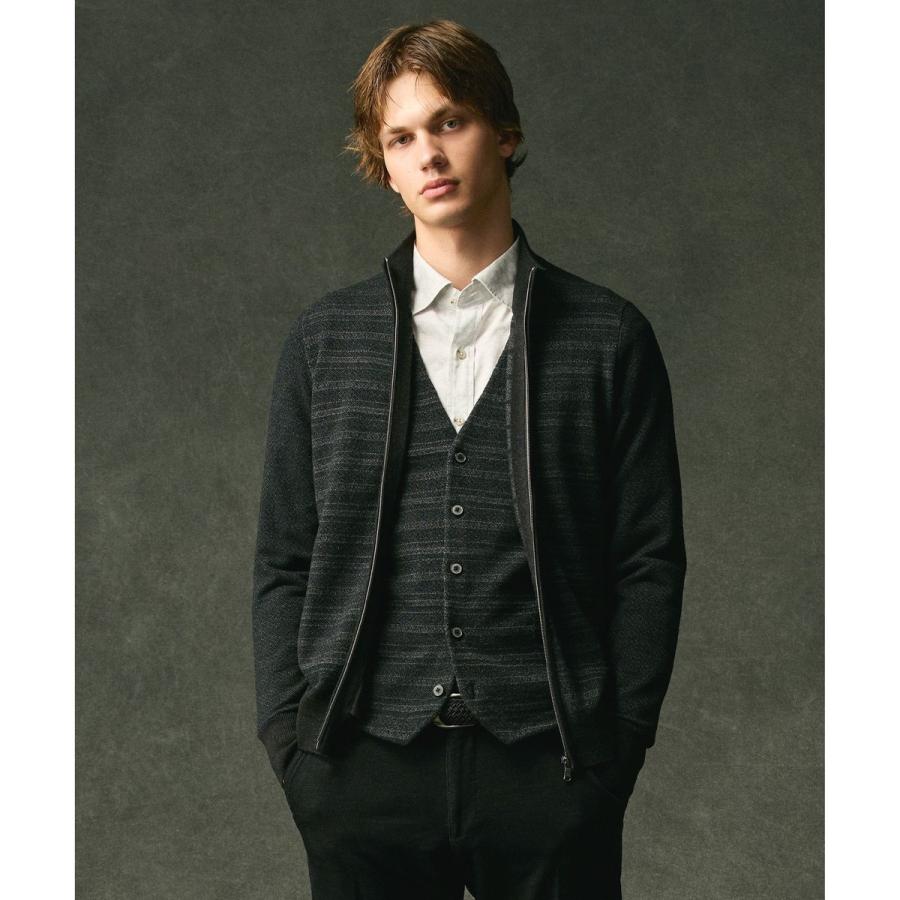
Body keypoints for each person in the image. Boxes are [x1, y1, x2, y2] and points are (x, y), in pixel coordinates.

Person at [252, 18, 687, 900]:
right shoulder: (326, 342)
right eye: (401, 138)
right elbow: (285, 562)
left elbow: (647, 559)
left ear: (505, 133)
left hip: (551, 770)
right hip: (363, 770)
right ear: (384, 166)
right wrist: (295, 750)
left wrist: (616, 751)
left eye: (450, 122)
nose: (429, 154)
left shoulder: (606, 337)